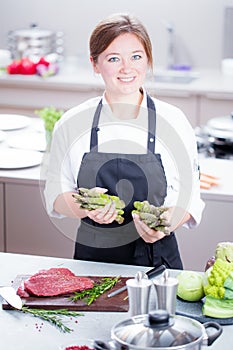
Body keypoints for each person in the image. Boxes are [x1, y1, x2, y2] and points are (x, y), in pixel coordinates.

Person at [44, 13, 205, 269]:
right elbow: (56, 194)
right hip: (92, 261)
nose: (127, 68)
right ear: (95, 64)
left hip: (158, 260)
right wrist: (87, 206)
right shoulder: (72, 123)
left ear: (148, 60)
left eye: (136, 56)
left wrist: (162, 225)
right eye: (113, 58)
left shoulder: (174, 121)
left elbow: (189, 197)